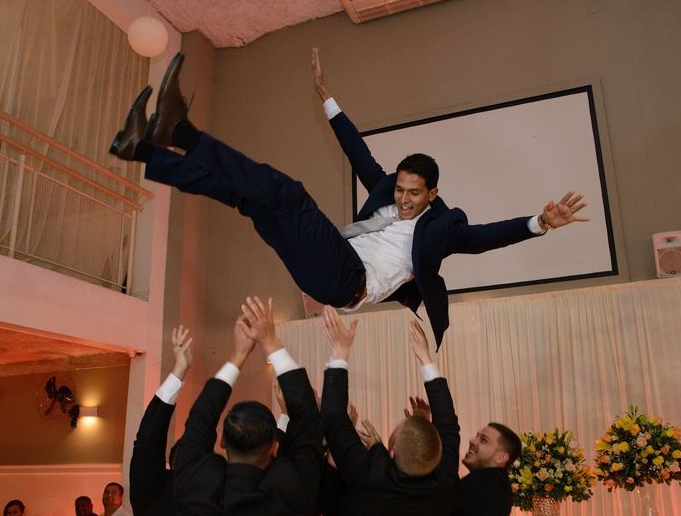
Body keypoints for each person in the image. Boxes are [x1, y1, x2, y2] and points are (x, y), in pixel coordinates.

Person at [108, 49, 589, 348]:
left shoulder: (444, 229)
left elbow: (487, 238)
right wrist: (327, 98)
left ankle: (182, 130)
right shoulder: (385, 189)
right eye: (399, 189)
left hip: (346, 280)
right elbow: (356, 148)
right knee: (247, 197)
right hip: (326, 265)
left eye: (412, 194)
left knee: (286, 192)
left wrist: (540, 222)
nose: (401, 200)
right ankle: (146, 152)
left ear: (433, 194)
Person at [172, 296, 323, 515]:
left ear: (222, 440)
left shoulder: (197, 488)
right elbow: (308, 420)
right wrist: (271, 342)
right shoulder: (293, 489)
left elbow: (200, 417)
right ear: (274, 446)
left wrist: (239, 354)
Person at [319, 306, 460, 515]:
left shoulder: (369, 474)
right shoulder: (445, 478)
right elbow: (447, 422)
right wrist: (425, 359)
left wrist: (340, 351)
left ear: (392, 451)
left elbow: (333, 421)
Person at [129, 325, 193, 516]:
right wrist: (178, 372)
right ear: (173, 465)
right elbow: (149, 441)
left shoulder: (216, 493)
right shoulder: (156, 490)